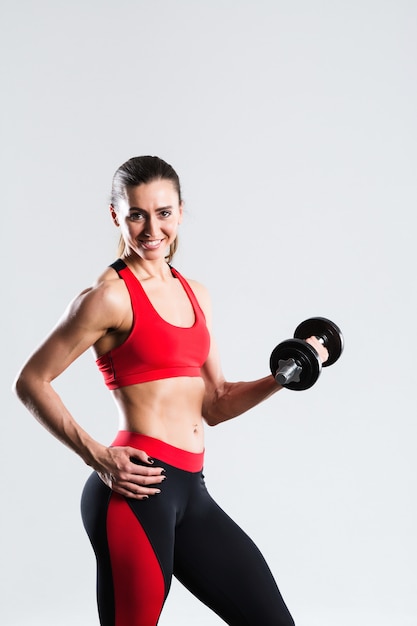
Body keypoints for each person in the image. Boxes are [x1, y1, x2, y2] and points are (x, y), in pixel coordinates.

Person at [14, 156, 328, 626]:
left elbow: (217, 401)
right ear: (115, 214)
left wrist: (288, 372)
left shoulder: (194, 293)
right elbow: (31, 380)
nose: (151, 229)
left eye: (162, 213)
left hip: (192, 492)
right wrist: (97, 456)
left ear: (180, 212)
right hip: (136, 491)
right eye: (136, 213)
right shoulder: (108, 297)